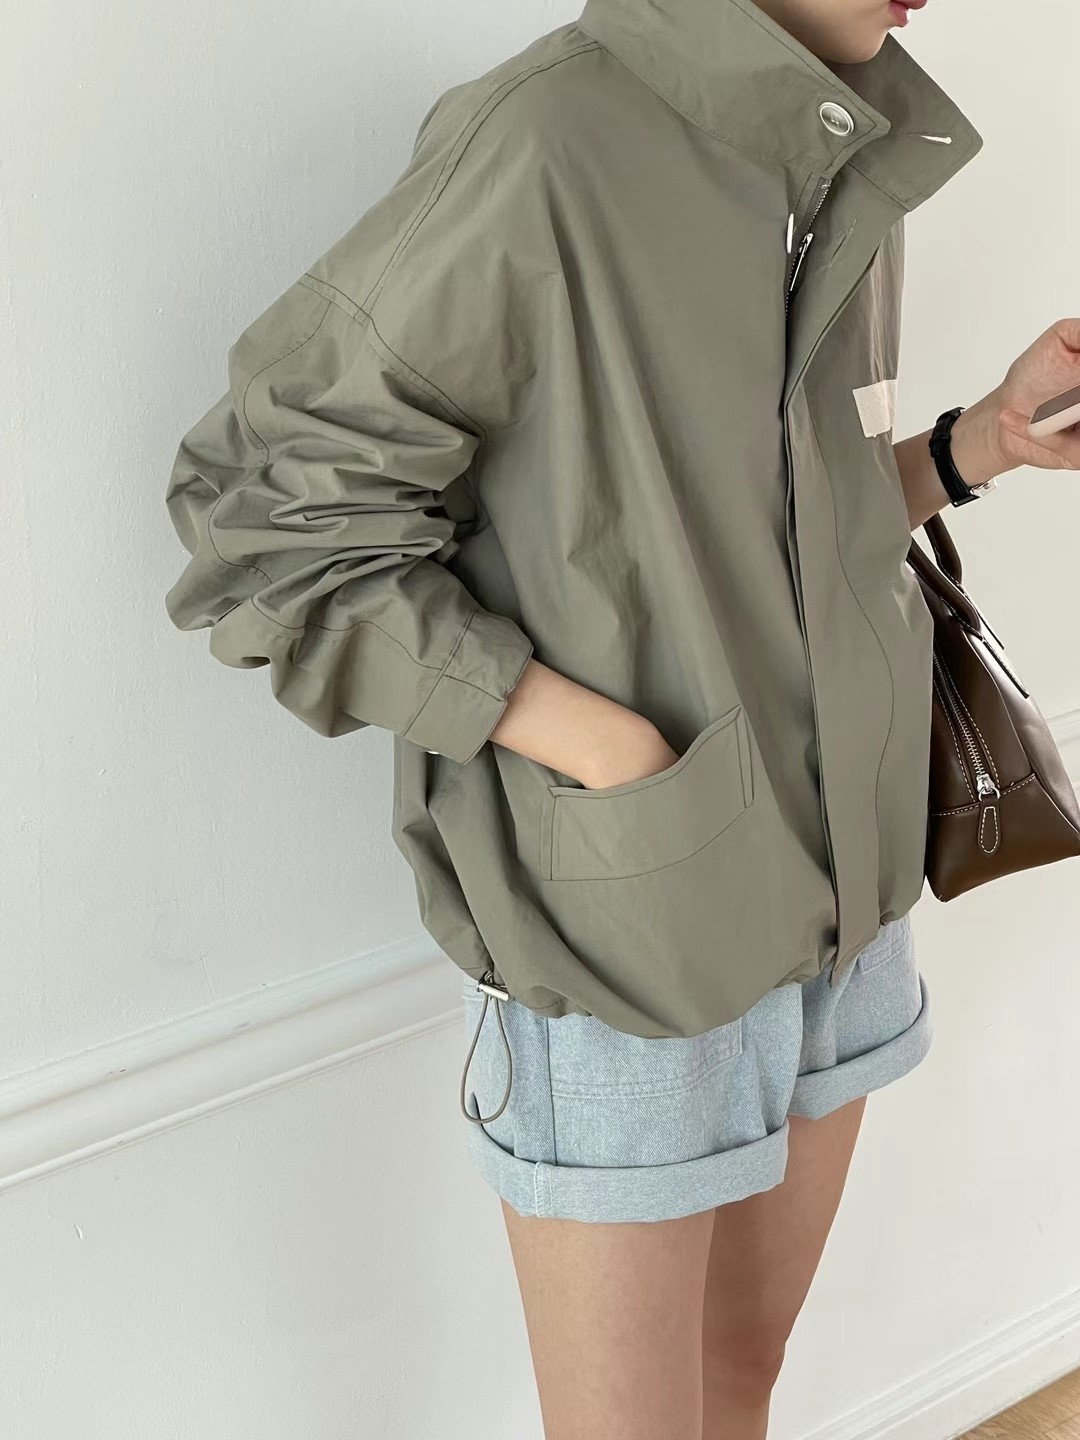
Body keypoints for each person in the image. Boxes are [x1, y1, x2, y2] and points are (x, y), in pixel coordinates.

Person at [164, 0, 1080, 1435]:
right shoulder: (548, 141)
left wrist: (980, 445)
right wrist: (601, 746)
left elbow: (777, 525)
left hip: (849, 904)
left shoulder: (843, 142)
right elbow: (263, 520)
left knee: (741, 1379)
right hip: (634, 928)